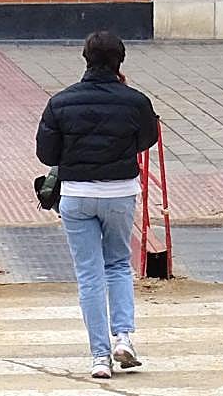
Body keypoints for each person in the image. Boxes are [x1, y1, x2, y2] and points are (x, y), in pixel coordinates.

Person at [35, 30, 159, 379]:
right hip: (119, 191)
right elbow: (146, 139)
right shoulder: (136, 101)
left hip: (76, 194)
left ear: (85, 59)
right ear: (120, 62)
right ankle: (123, 337)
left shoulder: (60, 102)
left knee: (89, 274)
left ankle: (100, 358)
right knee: (118, 264)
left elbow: (46, 153)